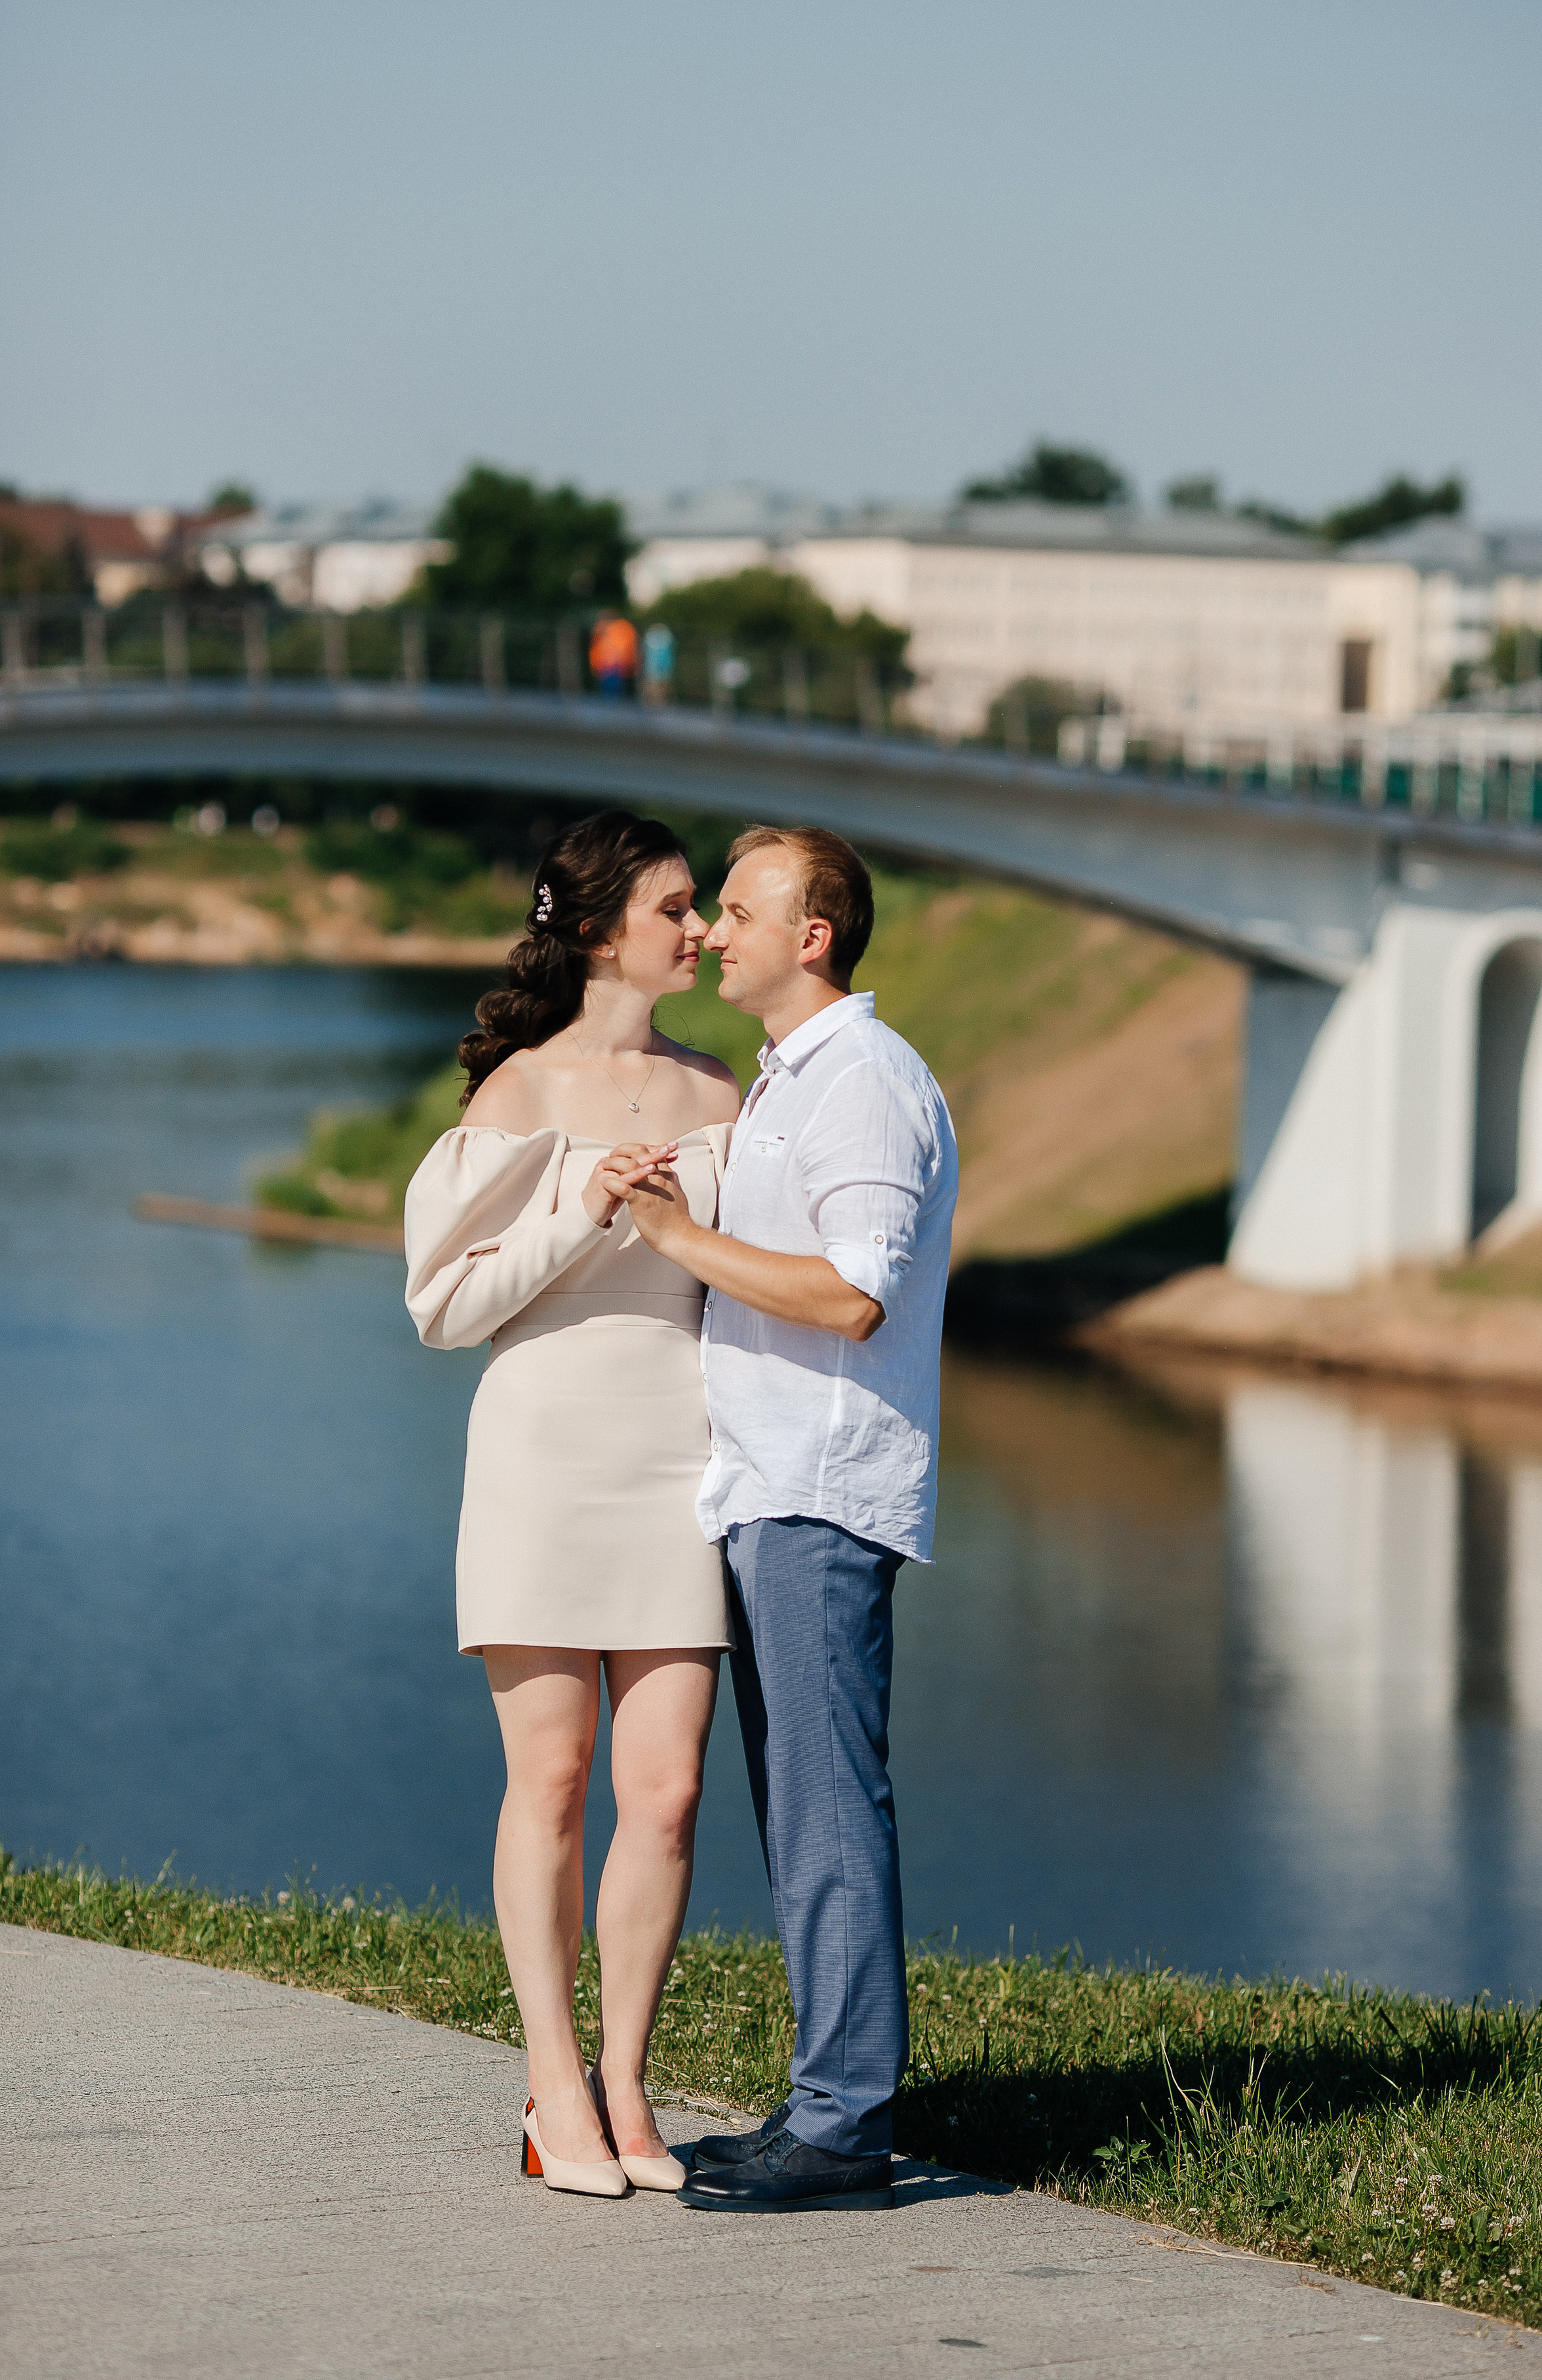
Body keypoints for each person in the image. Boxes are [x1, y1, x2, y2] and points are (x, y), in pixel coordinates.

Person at [601, 824, 957, 2212]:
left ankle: (843, 2129)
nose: (712, 933)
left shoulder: (861, 1080)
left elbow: (852, 1293)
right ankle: (824, 2105)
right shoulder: (791, 1081)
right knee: (798, 1810)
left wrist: (677, 1240)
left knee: (824, 1813)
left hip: (818, 1489)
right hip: (766, 1488)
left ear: (813, 936)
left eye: (739, 910)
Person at [403, 808, 740, 2200]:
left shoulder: (724, 1096)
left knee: (661, 1797)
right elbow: (442, 1309)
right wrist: (578, 1208)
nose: (702, 929)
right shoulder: (516, 1098)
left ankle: (626, 2086)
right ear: (603, 931)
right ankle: (553, 2092)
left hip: (685, 1457)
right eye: (677, 908)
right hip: (544, 1455)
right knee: (547, 1784)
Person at [589, 612, 639, 697]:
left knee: (612, 695)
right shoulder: (621, 627)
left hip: (612, 666)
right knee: (613, 694)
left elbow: (620, 648)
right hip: (610, 666)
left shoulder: (618, 628)